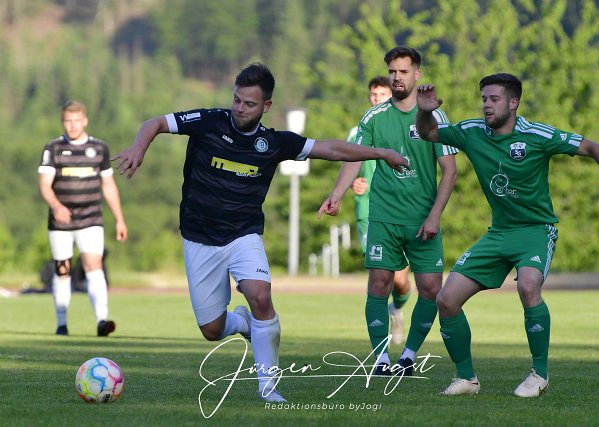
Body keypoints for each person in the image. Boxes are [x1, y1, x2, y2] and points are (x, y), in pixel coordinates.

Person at [112, 63, 409, 403]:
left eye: (249, 103)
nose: (240, 108)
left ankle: (268, 388)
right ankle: (242, 324)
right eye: (237, 100)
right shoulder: (210, 121)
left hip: (243, 234)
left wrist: (380, 153)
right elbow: (156, 123)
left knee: (261, 296)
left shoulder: (274, 142)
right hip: (199, 237)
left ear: (266, 105)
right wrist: (138, 148)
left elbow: (331, 149)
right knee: (211, 330)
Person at [415, 73, 599, 397]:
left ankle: (539, 375)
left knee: (529, 285)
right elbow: (429, 133)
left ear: (513, 102)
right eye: (484, 99)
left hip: (536, 230)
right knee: (446, 300)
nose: (487, 105)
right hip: (499, 233)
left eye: (494, 99)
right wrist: (425, 111)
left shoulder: (537, 134)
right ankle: (466, 379)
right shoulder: (471, 131)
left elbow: (592, 146)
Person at [317, 47, 458, 376]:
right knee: (379, 284)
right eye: (392, 71)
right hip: (383, 216)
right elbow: (354, 158)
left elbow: (450, 171)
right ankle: (381, 359)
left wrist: (435, 215)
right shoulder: (373, 117)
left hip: (422, 219)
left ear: (416, 74)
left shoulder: (435, 116)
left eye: (403, 72)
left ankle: (408, 356)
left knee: (431, 289)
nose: (397, 77)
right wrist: (336, 194)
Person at [38, 100, 128, 337]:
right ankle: (62, 324)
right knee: (63, 269)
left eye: (77, 121)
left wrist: (119, 219)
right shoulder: (53, 148)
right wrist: (57, 206)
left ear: (85, 121)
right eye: (68, 121)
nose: (73, 125)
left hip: (91, 218)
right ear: (62, 122)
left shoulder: (99, 148)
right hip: (61, 222)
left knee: (93, 265)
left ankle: (102, 321)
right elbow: (44, 184)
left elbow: (108, 185)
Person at [347, 76, 412, 345]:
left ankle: (396, 309)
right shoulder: (358, 131)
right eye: (374, 94)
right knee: (378, 273)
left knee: (400, 281)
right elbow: (349, 162)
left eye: (382, 94)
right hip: (368, 210)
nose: (377, 99)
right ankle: (379, 340)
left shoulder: (403, 127)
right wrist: (353, 182)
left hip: (400, 209)